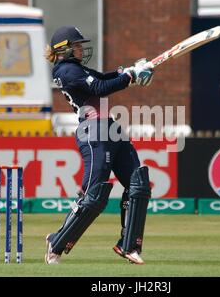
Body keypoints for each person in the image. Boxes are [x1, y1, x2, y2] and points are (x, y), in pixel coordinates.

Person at [44, 26, 154, 265]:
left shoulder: (77, 68)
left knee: (138, 184)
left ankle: (129, 246)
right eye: (77, 45)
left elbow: (104, 78)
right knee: (94, 196)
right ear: (64, 49)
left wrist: (128, 71)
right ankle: (56, 243)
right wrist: (130, 77)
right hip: (93, 132)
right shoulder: (67, 70)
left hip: (109, 128)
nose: (81, 48)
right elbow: (99, 88)